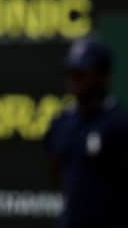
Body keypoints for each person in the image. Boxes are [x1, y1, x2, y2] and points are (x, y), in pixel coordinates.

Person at [43, 35, 128, 228]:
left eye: (82, 74)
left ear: (103, 75)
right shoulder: (61, 122)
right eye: (71, 73)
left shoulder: (120, 123)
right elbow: (55, 170)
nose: (74, 80)